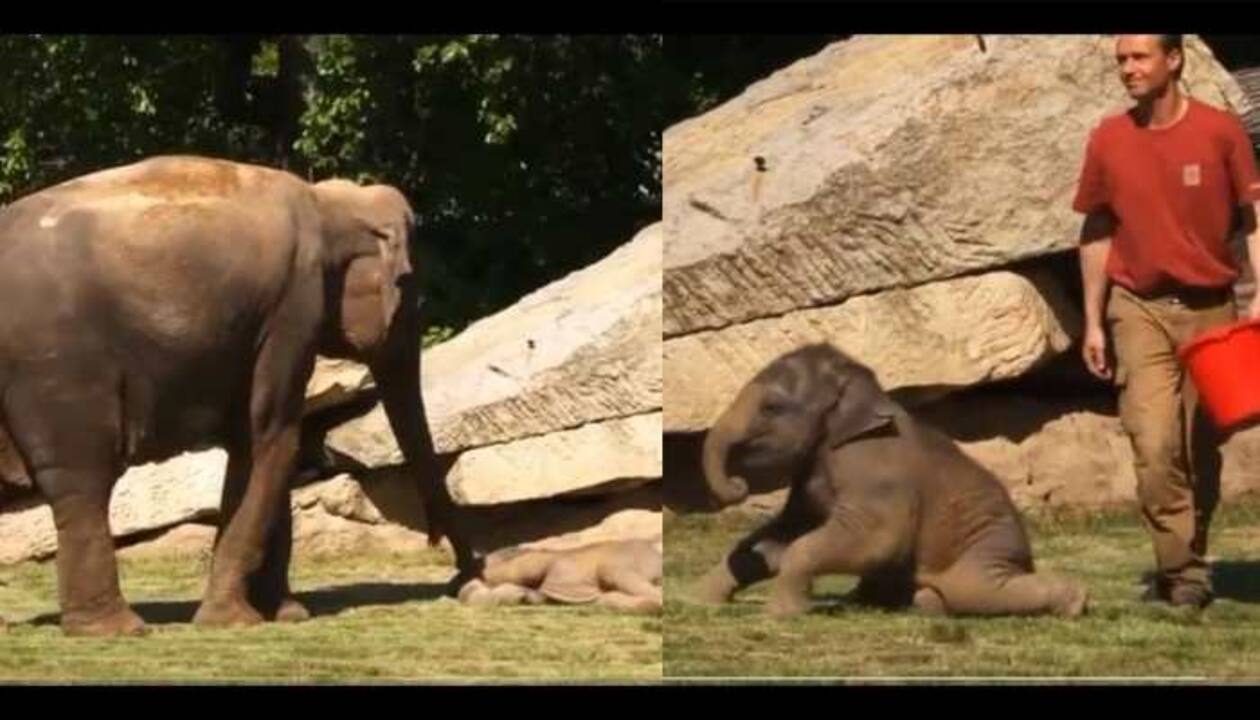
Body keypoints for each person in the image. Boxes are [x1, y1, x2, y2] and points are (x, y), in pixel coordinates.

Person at [1075, 34, 1260, 608]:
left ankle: (1190, 561)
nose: (1127, 70)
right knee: (1154, 444)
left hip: (1211, 309)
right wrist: (1093, 322)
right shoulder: (1109, 138)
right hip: (1138, 307)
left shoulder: (1219, 130)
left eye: (1139, 58)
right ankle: (1181, 573)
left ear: (1173, 60)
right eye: (1121, 61)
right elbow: (1095, 232)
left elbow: (1252, 216)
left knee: (1198, 445)